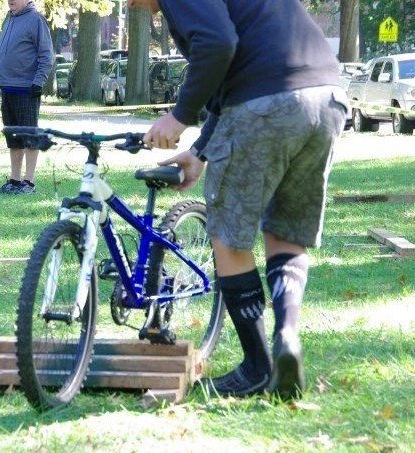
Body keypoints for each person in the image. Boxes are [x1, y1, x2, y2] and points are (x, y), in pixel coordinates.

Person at [127, 0, 349, 399]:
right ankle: (287, 337)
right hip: (326, 98)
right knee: (285, 231)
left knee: (228, 239)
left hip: (265, 104)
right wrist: (200, 152)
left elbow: (217, 44)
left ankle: (257, 367)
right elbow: (234, 71)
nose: (127, 4)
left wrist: (179, 117)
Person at [0, 0, 53, 194]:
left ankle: (29, 182)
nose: (11, 0)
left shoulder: (36, 19)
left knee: (29, 137)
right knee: (13, 138)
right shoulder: (8, 20)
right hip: (7, 88)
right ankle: (15, 180)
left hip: (26, 89)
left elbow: (47, 55)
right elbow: (2, 55)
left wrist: (39, 81)